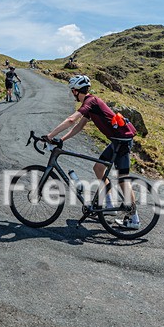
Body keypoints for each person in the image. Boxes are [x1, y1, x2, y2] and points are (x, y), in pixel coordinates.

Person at [45, 75, 140, 228]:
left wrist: (50, 136)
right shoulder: (91, 104)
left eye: (72, 91)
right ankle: (109, 205)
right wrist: (62, 139)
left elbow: (71, 120)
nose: (72, 93)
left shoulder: (90, 101)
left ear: (76, 90)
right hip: (117, 141)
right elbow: (79, 126)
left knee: (123, 179)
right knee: (98, 168)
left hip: (122, 141)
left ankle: (133, 218)